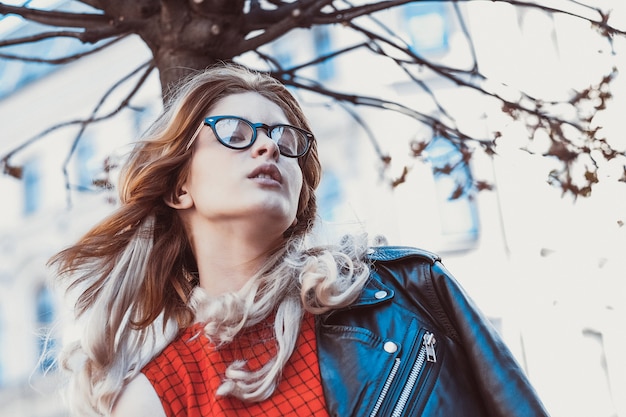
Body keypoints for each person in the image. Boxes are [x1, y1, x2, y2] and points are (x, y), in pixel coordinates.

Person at [49, 63, 549, 417]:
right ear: (180, 186)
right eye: (236, 132)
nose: (269, 145)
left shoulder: (409, 290)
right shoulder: (159, 394)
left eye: (286, 140)